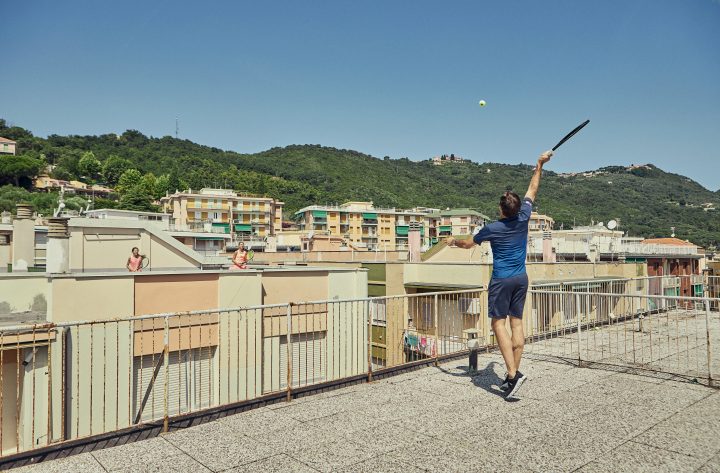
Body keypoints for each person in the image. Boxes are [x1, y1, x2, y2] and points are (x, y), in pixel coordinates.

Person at [446, 150, 552, 401]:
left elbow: (468, 244)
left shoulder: (492, 228)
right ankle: (511, 376)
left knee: (498, 324)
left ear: (502, 209)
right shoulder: (524, 217)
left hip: (502, 280)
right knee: (517, 324)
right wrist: (539, 164)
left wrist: (453, 241)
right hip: (521, 278)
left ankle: (513, 374)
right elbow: (533, 189)